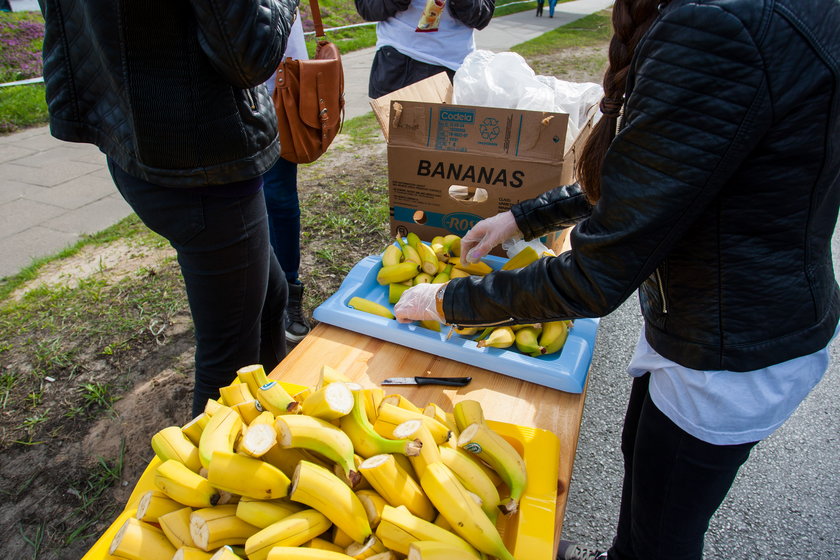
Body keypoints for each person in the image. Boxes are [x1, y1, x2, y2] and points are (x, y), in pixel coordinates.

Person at [394, 1, 840, 559]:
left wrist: (447, 298)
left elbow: (594, 280)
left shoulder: (718, 24)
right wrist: (525, 217)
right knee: (643, 471)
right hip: (728, 321)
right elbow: (666, 172)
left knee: (662, 536)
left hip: (724, 347)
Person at [38, 0, 299, 417]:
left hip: (137, 141)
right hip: (203, 161)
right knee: (229, 361)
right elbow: (250, 53)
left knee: (271, 298)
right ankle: (214, 476)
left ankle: (279, 417)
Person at [262, 12, 312, 345]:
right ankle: (254, 296)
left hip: (277, 94)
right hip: (214, 101)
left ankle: (287, 293)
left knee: (278, 199)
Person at [355, 0, 496, 98]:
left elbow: (482, 17)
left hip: (454, 68)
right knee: (402, 140)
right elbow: (368, 9)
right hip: (399, 63)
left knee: (447, 140)